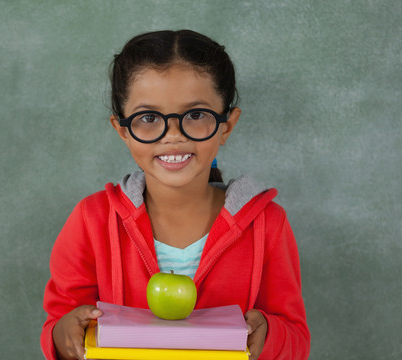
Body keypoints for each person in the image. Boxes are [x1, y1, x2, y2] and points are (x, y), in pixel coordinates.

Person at [41, 29, 310, 360]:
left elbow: (295, 337)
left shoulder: (268, 225)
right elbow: (60, 321)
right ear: (122, 130)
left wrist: (268, 335)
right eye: (149, 118)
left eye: (196, 115)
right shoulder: (91, 219)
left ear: (227, 125)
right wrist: (64, 334)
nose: (172, 135)